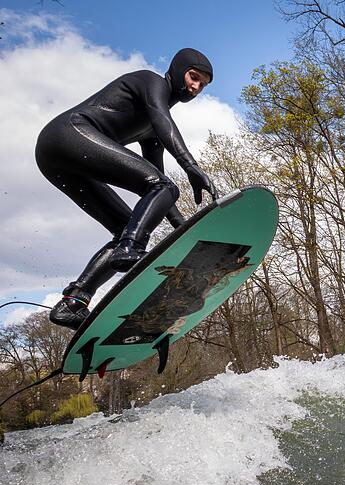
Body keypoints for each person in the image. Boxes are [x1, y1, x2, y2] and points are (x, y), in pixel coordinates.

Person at [37, 48, 218, 330]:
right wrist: (191, 166)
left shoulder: (153, 127)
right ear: (178, 69)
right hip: (66, 134)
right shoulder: (151, 82)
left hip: (57, 160)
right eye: (193, 77)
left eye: (202, 85)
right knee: (157, 195)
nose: (195, 87)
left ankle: (73, 302)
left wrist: (182, 228)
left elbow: (155, 181)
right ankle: (130, 249)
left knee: (129, 223)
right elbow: (161, 118)